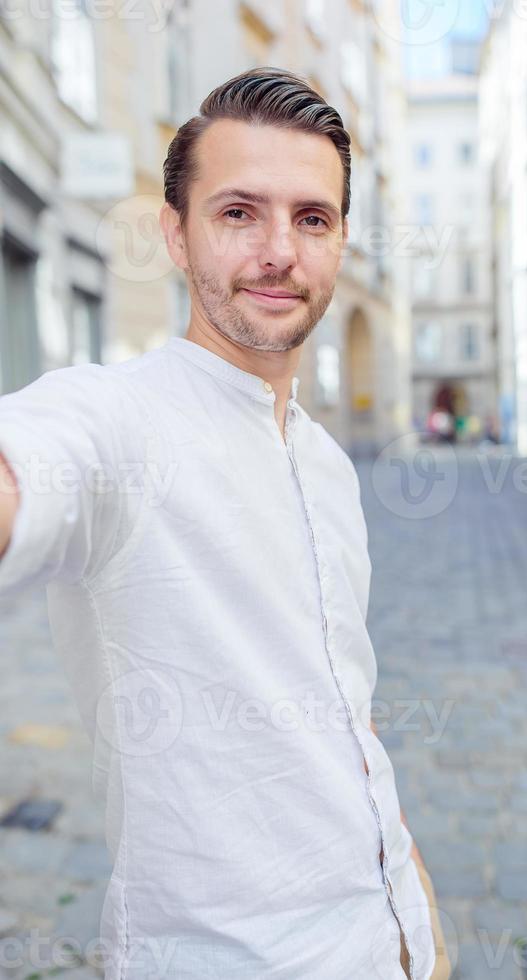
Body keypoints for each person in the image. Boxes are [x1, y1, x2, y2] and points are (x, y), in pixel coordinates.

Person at [0, 67, 450, 980]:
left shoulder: (327, 464)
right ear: (176, 233)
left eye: (312, 219)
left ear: (341, 241)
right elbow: (31, 468)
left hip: (389, 936)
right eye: (239, 212)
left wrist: (419, 923)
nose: (280, 251)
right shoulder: (116, 418)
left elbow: (342, 714)